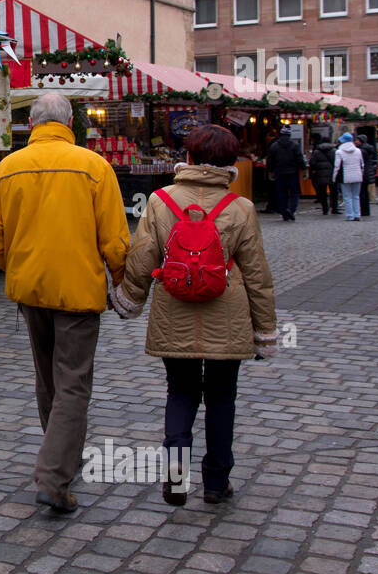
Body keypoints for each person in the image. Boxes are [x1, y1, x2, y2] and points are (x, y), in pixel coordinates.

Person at [0, 91, 130, 516]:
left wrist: (20, 267)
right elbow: (116, 241)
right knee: (73, 382)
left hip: (31, 290)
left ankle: (59, 459)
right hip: (78, 291)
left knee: (48, 379)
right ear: (69, 123)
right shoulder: (94, 167)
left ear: (32, 123)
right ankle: (54, 476)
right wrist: (121, 282)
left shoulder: (5, 169)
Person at [110, 125, 276, 506]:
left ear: (188, 157)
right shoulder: (242, 208)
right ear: (230, 164)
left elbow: (142, 258)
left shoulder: (161, 200)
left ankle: (176, 479)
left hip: (174, 308)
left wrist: (129, 299)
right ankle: (217, 482)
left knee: (180, 393)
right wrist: (265, 329)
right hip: (228, 313)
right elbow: (256, 274)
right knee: (222, 398)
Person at [266, 126, 306, 221]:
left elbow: (270, 160)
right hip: (293, 172)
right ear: (289, 135)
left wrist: (270, 171)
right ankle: (291, 209)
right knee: (295, 192)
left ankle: (284, 213)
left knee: (281, 193)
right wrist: (304, 169)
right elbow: (299, 159)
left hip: (279, 172)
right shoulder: (295, 145)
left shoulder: (274, 146)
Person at [333, 132, 366, 220]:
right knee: (356, 196)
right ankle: (357, 214)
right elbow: (362, 164)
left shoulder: (339, 152)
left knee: (347, 196)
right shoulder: (358, 151)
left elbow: (337, 166)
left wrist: (334, 177)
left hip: (345, 176)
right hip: (357, 175)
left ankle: (350, 215)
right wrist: (361, 174)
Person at [308, 134, 338, 215]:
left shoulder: (317, 151)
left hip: (320, 174)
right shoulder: (334, 151)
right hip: (332, 174)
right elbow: (337, 163)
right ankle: (334, 208)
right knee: (334, 192)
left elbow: (312, 163)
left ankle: (325, 209)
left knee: (322, 192)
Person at [356, 133, 377, 217]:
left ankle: (364, 210)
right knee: (365, 192)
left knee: (362, 192)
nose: (356, 141)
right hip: (368, 172)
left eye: (357, 140)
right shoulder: (368, 148)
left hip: (364, 173)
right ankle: (366, 210)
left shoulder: (362, 150)